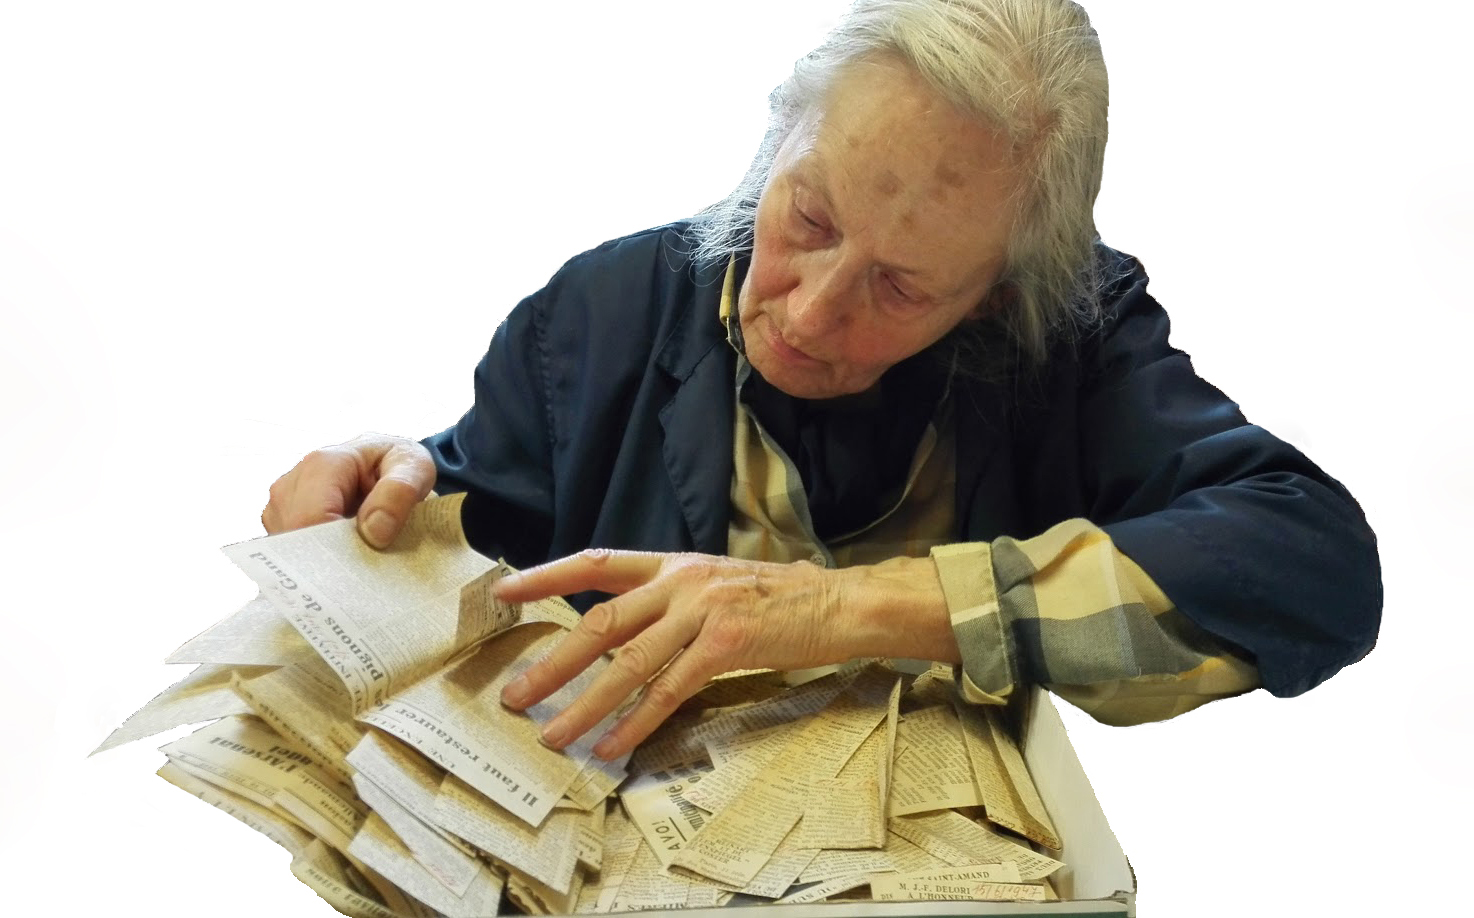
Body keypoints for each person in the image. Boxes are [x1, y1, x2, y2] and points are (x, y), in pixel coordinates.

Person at [261, 0, 1380, 764]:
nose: (805, 312)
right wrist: (383, 499)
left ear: (993, 297)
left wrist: (836, 610)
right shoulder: (596, 312)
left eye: (899, 288)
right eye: (808, 218)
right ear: (780, 135)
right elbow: (478, 537)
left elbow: (1307, 564)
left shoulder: (1067, 344)